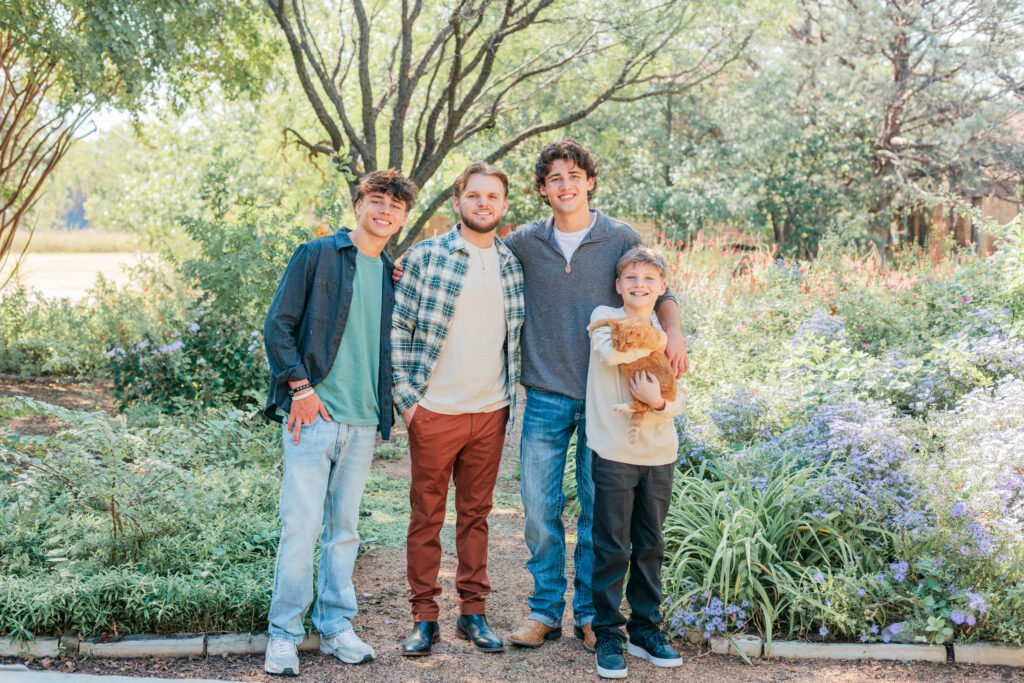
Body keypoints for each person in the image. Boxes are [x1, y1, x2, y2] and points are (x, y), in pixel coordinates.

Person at [503, 139, 688, 651]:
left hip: (605, 396)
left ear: (589, 181)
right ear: (543, 189)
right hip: (544, 390)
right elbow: (478, 253)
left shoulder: (619, 236)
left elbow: (660, 288)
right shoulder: (524, 242)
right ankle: (544, 611)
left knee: (595, 510)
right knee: (539, 509)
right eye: (555, 178)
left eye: (574, 175)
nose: (566, 185)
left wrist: (675, 333)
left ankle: (590, 614)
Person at [261, 169, 418, 675]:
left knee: (344, 530)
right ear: (358, 204)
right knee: (301, 527)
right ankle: (283, 635)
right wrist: (300, 390)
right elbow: (278, 325)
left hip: (364, 421)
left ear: (403, 217)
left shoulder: (391, 273)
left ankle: (335, 628)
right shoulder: (318, 255)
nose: (385, 211)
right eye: (376, 200)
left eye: (395, 205)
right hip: (314, 416)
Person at [392, 162, 525, 656]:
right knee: (426, 516)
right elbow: (397, 331)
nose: (484, 203)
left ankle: (473, 614)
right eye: (475, 195)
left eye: (493, 196)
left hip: (491, 411)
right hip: (434, 412)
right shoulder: (426, 256)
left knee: (476, 517)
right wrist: (410, 404)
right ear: (458, 201)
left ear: (504, 204)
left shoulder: (512, 265)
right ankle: (424, 617)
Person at [586, 247, 685, 679]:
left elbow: (677, 401)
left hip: (659, 452)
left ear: (662, 288)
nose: (639, 285)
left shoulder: (666, 336)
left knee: (650, 545)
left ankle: (647, 628)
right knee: (611, 545)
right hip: (613, 452)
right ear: (618, 285)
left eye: (649, 279)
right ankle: (608, 631)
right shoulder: (604, 318)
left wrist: (656, 400)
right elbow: (612, 356)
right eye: (631, 279)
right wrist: (659, 337)